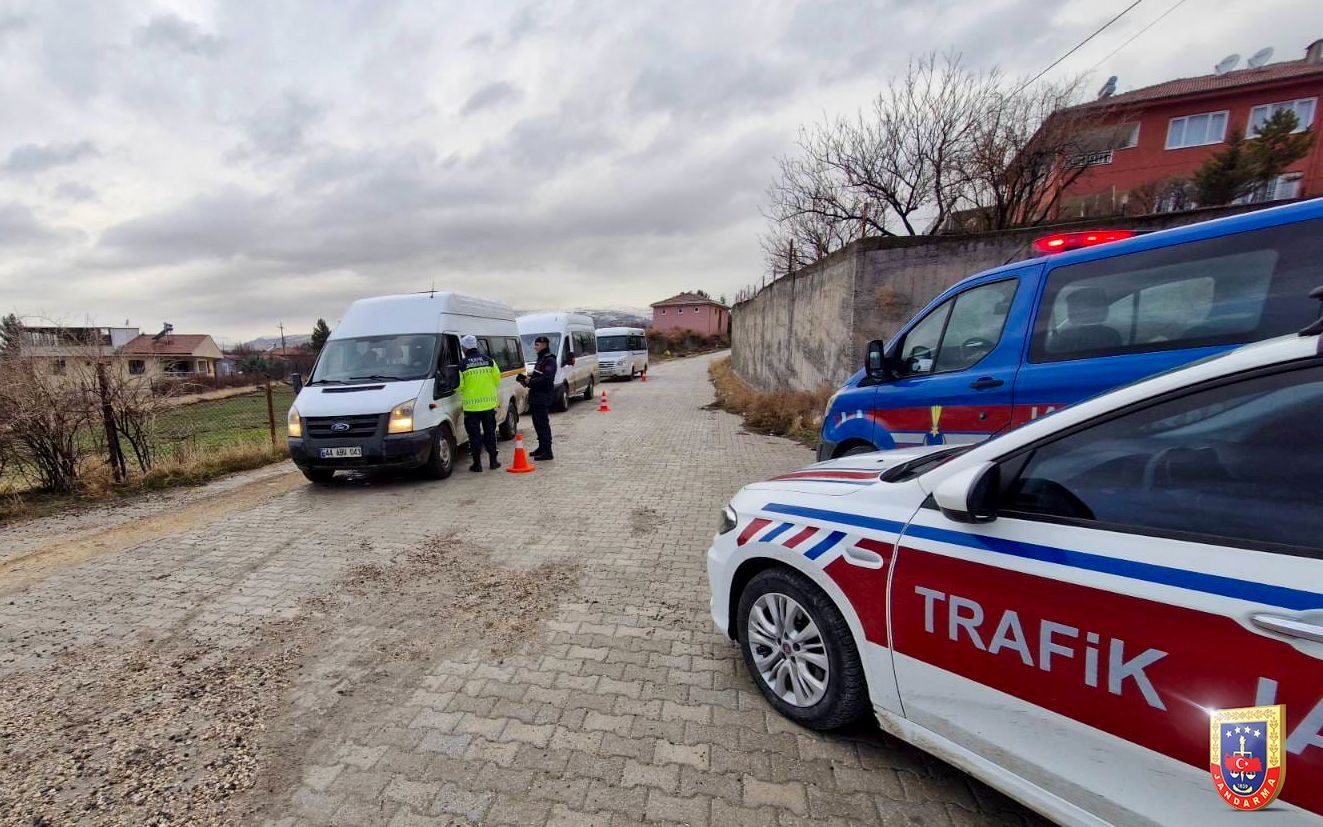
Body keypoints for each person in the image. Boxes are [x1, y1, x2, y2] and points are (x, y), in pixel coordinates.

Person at [458, 334, 501, 472]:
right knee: (490, 433)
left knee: (474, 436)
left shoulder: (462, 365)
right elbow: (497, 379)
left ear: (465, 348)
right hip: (489, 406)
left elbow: (459, 386)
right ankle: (493, 461)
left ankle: (477, 465)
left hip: (471, 408)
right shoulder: (489, 361)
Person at [518, 335, 557, 460]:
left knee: (543, 424)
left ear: (544, 345)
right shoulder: (541, 359)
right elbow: (537, 377)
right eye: (535, 344)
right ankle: (542, 447)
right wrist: (526, 380)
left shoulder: (549, 360)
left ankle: (548, 451)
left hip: (543, 397)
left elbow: (547, 379)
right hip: (536, 397)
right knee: (537, 424)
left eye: (537, 345)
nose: (535, 347)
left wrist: (531, 381)